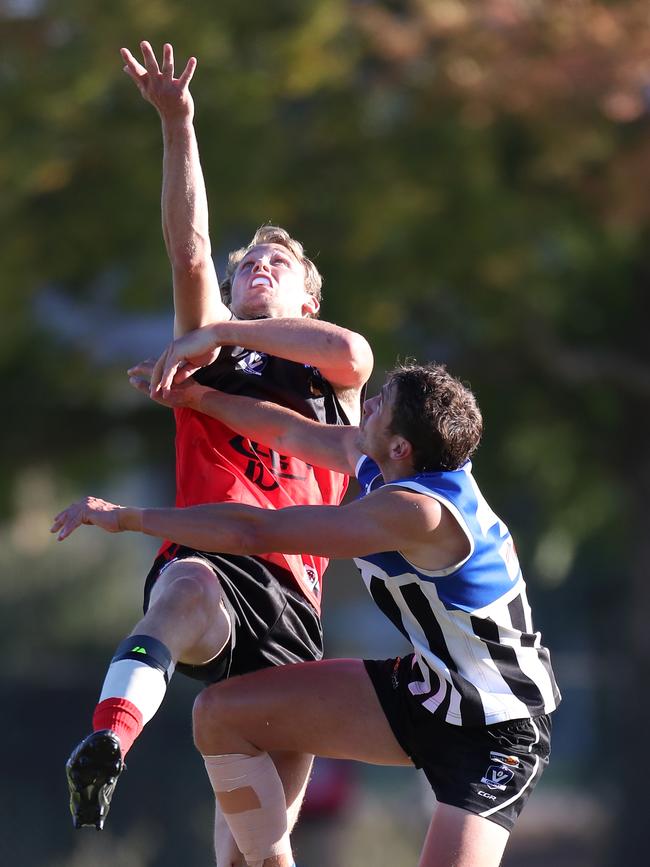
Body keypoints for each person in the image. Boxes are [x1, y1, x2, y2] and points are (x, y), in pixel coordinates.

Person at [53, 361, 561, 867]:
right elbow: (288, 431)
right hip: (425, 691)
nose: (367, 405)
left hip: (499, 726)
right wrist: (195, 398)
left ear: (401, 447)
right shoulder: (391, 463)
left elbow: (254, 533)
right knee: (220, 715)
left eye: (381, 404)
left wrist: (127, 519)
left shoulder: (418, 513)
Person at [63, 38, 373, 863]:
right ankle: (107, 739)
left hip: (295, 610)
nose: (257, 265)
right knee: (186, 591)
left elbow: (354, 353)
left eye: (279, 262)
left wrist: (226, 326)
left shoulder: (330, 369)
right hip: (214, 551)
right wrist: (178, 124)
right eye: (250, 265)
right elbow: (191, 246)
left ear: (308, 294)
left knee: (253, 853)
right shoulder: (208, 356)